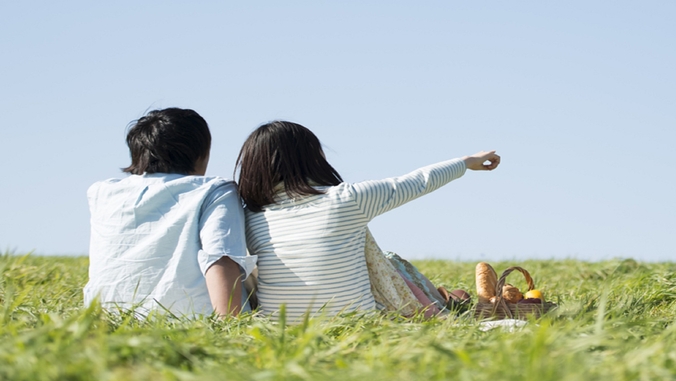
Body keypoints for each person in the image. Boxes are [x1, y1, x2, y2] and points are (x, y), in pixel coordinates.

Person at [235, 121, 500, 323]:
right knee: (390, 260)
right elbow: (420, 181)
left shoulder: (250, 217)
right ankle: (442, 301)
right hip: (357, 321)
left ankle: (446, 299)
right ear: (312, 159)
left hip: (280, 328)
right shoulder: (347, 199)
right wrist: (467, 162)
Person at [84, 108, 255, 318]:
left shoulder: (101, 192)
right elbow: (221, 257)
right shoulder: (213, 190)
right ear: (201, 154)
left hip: (106, 318)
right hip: (191, 319)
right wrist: (229, 324)